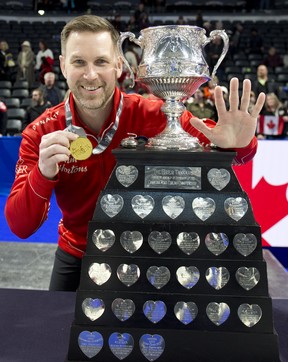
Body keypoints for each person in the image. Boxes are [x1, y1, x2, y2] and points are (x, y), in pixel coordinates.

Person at [5, 15, 265, 292]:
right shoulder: (42, 132)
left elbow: (234, 151)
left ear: (119, 65)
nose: (90, 75)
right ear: (63, 66)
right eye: (79, 62)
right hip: (77, 254)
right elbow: (20, 226)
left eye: (101, 62)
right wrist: (43, 174)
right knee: (55, 334)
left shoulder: (154, 113)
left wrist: (239, 143)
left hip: (151, 257)